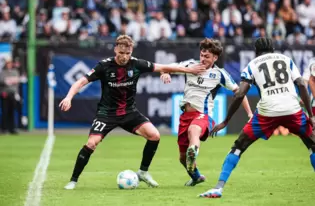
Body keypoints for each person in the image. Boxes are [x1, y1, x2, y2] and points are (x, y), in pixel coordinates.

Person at [60, 35, 206, 190]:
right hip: (107, 113)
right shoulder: (104, 66)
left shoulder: (136, 64)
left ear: (131, 51)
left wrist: (188, 70)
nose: (124, 57)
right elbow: (81, 81)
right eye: (121, 53)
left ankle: (143, 172)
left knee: (155, 136)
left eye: (127, 53)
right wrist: (69, 97)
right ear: (115, 49)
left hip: (129, 112)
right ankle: (73, 180)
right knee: (91, 143)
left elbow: (163, 67)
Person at [199, 37, 315, 198]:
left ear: (256, 51)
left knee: (238, 146)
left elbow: (240, 94)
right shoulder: (286, 60)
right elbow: (302, 84)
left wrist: (226, 121)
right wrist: (310, 115)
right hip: (292, 110)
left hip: (266, 113)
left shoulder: (252, 64)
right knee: (312, 145)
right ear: (273, 49)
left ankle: (218, 187)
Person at [160, 38, 253, 186]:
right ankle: (196, 177)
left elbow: (239, 92)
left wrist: (249, 113)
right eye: (201, 55)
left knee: (194, 130)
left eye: (207, 56)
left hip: (203, 116)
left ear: (215, 58)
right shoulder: (190, 65)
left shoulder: (219, 74)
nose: (203, 59)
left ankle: (194, 150)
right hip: (185, 116)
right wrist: (165, 73)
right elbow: (165, 67)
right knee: (182, 158)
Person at [0, 57, 20, 134]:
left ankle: (12, 128)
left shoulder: (15, 71)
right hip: (5, 94)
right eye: (8, 63)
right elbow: (3, 81)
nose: (9, 65)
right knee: (5, 111)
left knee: (12, 111)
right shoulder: (3, 72)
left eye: (10, 63)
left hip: (13, 94)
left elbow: (16, 80)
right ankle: (4, 128)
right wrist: (9, 81)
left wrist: (10, 81)